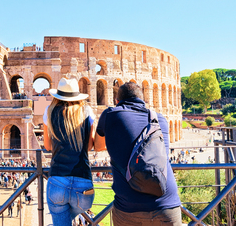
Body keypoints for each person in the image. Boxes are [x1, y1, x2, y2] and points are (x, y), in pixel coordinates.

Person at [96, 82, 181, 226]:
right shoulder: (160, 119)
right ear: (143, 100)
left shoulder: (110, 115)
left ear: (117, 101)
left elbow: (98, 146)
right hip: (168, 204)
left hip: (129, 207)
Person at [43, 78, 101, 226]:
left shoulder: (49, 111)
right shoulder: (86, 111)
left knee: (61, 220)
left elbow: (48, 146)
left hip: (57, 181)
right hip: (83, 185)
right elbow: (89, 146)